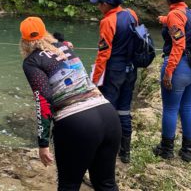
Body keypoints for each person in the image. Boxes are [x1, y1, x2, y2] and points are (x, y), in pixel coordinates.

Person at [19, 16, 120, 191]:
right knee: (106, 184)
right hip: (108, 113)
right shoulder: (64, 47)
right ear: (45, 32)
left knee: (69, 185)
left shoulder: (31, 62)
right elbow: (59, 44)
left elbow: (43, 100)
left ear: (23, 40)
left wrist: (43, 144)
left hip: (77, 123)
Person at [153, 0, 191, 162]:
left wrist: (168, 71)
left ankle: (166, 149)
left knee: (171, 108)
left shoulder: (175, 15)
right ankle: (187, 151)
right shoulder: (188, 12)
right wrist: (164, 19)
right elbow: (182, 27)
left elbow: (178, 45)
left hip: (180, 68)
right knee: (187, 107)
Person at [89, 0, 140, 164]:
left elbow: (103, 54)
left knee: (106, 110)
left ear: (106, 5)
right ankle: (125, 152)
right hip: (131, 69)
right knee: (124, 110)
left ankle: (105, 151)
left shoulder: (108, 21)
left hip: (114, 72)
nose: (98, 7)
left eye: (99, 4)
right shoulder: (131, 14)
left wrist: (94, 80)